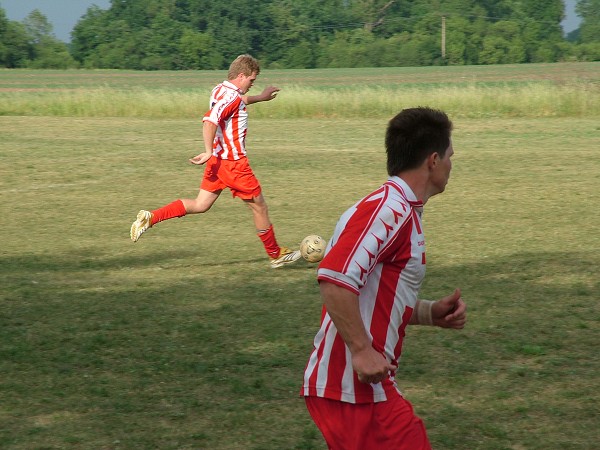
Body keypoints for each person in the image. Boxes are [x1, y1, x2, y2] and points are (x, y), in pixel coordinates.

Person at [301, 107, 467, 449]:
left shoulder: (399, 209)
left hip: (355, 388)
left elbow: (371, 292)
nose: (453, 164)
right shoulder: (390, 210)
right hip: (353, 387)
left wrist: (428, 312)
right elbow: (334, 278)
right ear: (433, 161)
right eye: (451, 156)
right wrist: (362, 350)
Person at [130, 54, 301, 269]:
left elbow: (237, 103)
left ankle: (150, 217)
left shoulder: (221, 90)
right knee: (260, 207)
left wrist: (260, 97)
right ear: (241, 76)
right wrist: (208, 150)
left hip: (219, 162)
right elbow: (210, 120)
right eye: (251, 81)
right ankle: (276, 255)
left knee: (201, 204)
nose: (252, 85)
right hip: (233, 163)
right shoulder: (231, 97)